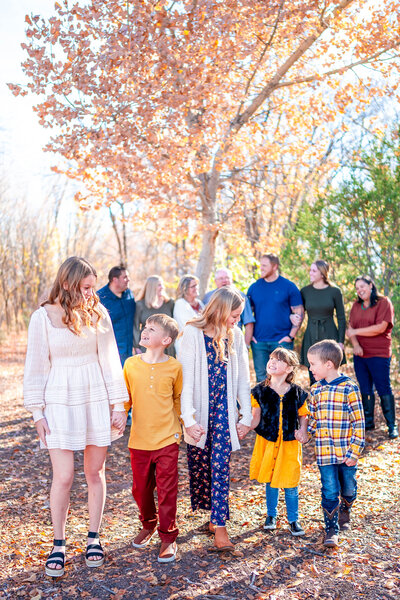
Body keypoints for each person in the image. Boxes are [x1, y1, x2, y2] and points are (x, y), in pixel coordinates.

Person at [23, 257, 128, 577]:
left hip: (95, 396)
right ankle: (59, 543)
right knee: (64, 476)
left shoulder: (98, 313)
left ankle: (93, 538)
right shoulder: (42, 317)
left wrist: (118, 404)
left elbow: (110, 359)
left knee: (95, 472)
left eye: (92, 287)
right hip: (59, 401)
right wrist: (37, 412)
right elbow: (36, 367)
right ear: (66, 284)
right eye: (84, 287)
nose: (90, 293)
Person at [179, 287, 252, 551]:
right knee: (201, 465)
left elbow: (243, 378)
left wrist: (245, 415)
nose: (237, 320)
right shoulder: (192, 333)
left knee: (221, 465)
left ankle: (220, 528)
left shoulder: (235, 336)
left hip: (223, 412)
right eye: (234, 315)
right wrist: (188, 419)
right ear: (220, 311)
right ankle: (212, 518)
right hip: (200, 411)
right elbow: (185, 381)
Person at [123, 314, 182, 563]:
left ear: (166, 339)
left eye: (152, 329)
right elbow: (125, 398)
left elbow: (178, 398)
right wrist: (116, 418)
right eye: (145, 327)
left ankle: (168, 537)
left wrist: (180, 426)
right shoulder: (130, 364)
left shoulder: (175, 367)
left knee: (167, 490)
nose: (145, 331)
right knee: (140, 490)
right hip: (139, 439)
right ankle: (148, 523)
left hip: (168, 438)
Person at [307, 340, 365, 548]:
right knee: (329, 490)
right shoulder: (314, 390)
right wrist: (306, 432)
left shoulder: (349, 388)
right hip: (324, 453)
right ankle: (331, 528)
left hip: (346, 452)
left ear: (329, 364)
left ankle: (346, 509)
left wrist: (355, 451)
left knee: (348, 488)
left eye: (313, 364)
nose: (311, 368)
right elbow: (312, 419)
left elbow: (359, 422)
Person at [249, 348, 309, 536]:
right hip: (268, 442)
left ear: (289, 368)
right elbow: (255, 418)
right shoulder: (259, 391)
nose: (272, 362)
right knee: (271, 480)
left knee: (290, 482)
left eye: (279, 360)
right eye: (271, 358)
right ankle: (271, 515)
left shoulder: (297, 393)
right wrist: (242, 427)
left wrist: (303, 430)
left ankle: (293, 519)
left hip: (290, 444)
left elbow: (303, 415)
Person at [346, 275, 398, 439]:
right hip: (360, 353)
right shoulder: (356, 306)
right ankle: (368, 423)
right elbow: (350, 328)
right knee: (365, 388)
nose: (360, 290)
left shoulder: (384, 303)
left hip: (379, 353)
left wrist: (355, 332)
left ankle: (392, 425)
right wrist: (355, 344)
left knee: (383, 387)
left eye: (362, 286)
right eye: (357, 288)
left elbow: (381, 328)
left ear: (371, 286)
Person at [247, 254, 304, 382]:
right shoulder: (254, 288)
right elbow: (247, 315)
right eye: (260, 265)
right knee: (262, 380)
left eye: (264, 266)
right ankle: (264, 403)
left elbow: (299, 313)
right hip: (259, 342)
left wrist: (290, 336)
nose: (261, 268)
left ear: (275, 266)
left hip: (282, 341)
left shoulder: (289, 287)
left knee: (284, 379)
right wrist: (249, 336)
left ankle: (283, 403)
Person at [300, 260, 346, 384]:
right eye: (310, 270)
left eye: (314, 270)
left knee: (331, 374)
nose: (310, 273)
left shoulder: (335, 292)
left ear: (322, 273)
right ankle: (315, 401)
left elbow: (341, 318)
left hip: (330, 334)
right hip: (311, 334)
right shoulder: (305, 291)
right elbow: (299, 313)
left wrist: (341, 341)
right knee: (313, 375)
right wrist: (293, 318)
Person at [202, 267, 255, 345]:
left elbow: (249, 323)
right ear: (215, 281)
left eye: (227, 278)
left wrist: (246, 345)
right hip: (211, 340)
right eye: (221, 278)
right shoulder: (208, 297)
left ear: (232, 280)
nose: (224, 280)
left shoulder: (241, 297)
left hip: (233, 339)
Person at [97, 266, 136, 366]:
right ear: (115, 279)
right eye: (125, 277)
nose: (129, 280)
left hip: (130, 352)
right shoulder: (100, 298)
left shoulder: (129, 294)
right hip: (110, 352)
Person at [133, 276, 175, 356]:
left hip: (166, 346)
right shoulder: (140, 304)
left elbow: (174, 326)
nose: (162, 287)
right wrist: (137, 346)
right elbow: (136, 327)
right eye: (159, 285)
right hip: (147, 346)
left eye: (162, 284)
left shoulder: (170, 303)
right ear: (152, 287)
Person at [173, 275, 204, 354]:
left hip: (200, 344)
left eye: (196, 285)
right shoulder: (180, 304)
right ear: (185, 289)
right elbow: (189, 324)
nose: (196, 288)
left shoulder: (199, 303)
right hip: (185, 344)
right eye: (193, 286)